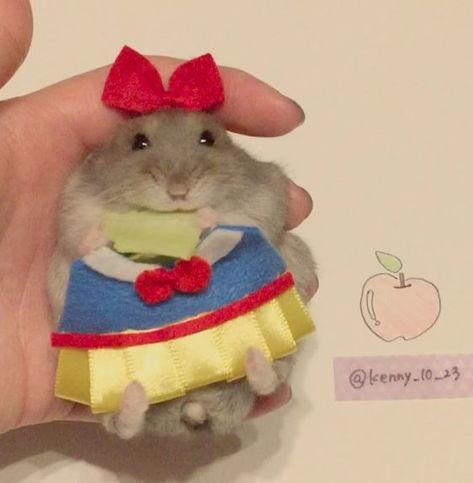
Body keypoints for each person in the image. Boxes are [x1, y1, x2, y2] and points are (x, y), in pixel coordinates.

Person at [0, 0, 316, 434]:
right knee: (63, 271)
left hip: (224, 306)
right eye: (141, 145)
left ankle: (263, 366)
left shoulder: (250, 178)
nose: (178, 184)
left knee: (291, 255)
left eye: (205, 140)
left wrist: (234, 229)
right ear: (108, 154)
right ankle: (125, 403)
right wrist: (93, 240)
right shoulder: (91, 182)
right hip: (131, 313)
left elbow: (269, 202)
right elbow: (77, 225)